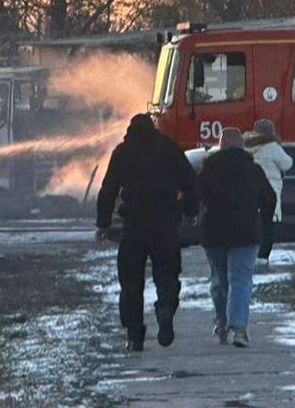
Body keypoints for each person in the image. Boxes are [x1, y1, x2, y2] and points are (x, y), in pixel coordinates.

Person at [97, 114, 198, 352]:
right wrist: (189, 211)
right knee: (167, 273)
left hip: (134, 225)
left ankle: (134, 335)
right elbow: (191, 183)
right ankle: (165, 308)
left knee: (130, 282)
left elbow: (108, 188)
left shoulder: (123, 152)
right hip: (165, 223)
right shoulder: (169, 149)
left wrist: (103, 223)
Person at [196, 128, 276, 348]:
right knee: (240, 280)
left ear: (221, 145)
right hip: (246, 231)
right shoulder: (253, 170)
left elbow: (196, 197)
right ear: (242, 146)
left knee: (219, 280)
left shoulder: (208, 169)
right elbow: (269, 198)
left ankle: (222, 322)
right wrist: (262, 221)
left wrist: (198, 217)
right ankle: (239, 329)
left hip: (214, 232)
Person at [244, 119, 292, 267]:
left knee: (252, 226)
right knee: (267, 227)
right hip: (269, 191)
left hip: (249, 192)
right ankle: (262, 259)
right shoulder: (272, 147)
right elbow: (287, 163)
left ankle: (251, 256)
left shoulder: (246, 147)